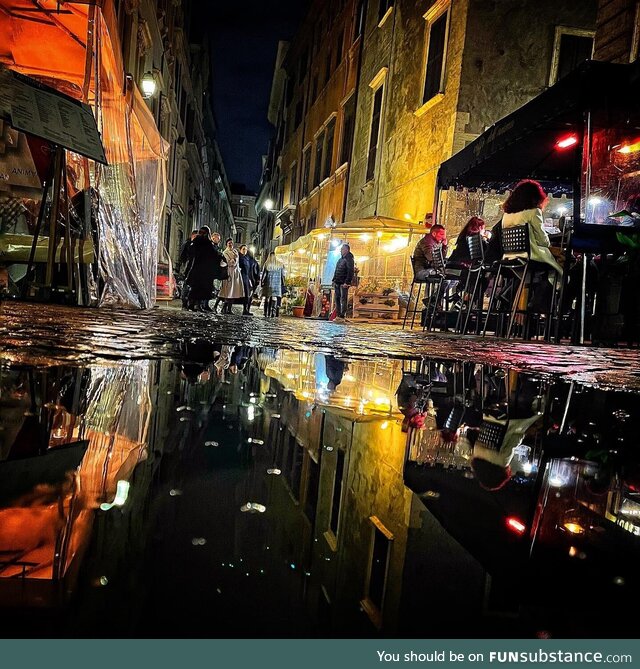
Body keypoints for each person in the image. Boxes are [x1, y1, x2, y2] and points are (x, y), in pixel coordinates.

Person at [501, 179, 563, 312]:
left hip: (511, 257)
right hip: (532, 257)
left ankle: (536, 303)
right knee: (560, 269)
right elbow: (543, 241)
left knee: (547, 273)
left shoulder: (507, 215)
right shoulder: (534, 212)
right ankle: (544, 305)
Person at [184, 226, 221, 311]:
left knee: (202, 289)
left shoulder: (208, 243)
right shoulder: (198, 241)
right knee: (196, 288)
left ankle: (197, 304)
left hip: (204, 270)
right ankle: (193, 304)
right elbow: (191, 252)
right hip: (198, 268)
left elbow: (213, 254)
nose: (202, 234)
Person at [219, 238, 244, 314]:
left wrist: (235, 259)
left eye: (232, 243)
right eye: (229, 243)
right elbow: (229, 263)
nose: (231, 244)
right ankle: (224, 308)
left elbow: (237, 263)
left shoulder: (235, 251)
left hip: (236, 274)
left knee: (234, 292)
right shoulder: (225, 252)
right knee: (228, 292)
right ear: (226, 244)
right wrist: (235, 258)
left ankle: (229, 308)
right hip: (229, 273)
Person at [332, 243, 355, 322]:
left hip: (343, 283)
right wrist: (334, 280)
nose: (341, 251)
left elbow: (350, 271)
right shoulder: (340, 259)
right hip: (337, 282)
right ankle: (338, 314)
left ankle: (342, 315)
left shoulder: (349, 259)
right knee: (337, 298)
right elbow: (336, 270)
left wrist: (347, 282)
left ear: (347, 250)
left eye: (342, 249)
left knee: (343, 299)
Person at [178, 230, 198, 309]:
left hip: (195, 269)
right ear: (193, 236)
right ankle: (184, 304)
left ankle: (191, 304)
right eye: (196, 237)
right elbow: (182, 256)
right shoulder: (187, 244)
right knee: (186, 286)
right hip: (188, 269)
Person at [261, 252, 285, 317]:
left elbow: (264, 274)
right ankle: (272, 312)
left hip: (268, 283)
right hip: (277, 284)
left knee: (267, 298)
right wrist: (283, 283)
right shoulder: (280, 264)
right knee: (274, 298)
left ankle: (266, 313)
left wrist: (262, 282)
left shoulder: (267, 264)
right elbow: (283, 275)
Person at [238, 245, 254, 316]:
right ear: (240, 250)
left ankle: (245, 309)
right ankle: (225, 306)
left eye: (246, 249)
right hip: (240, 276)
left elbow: (249, 269)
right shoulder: (239, 257)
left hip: (246, 277)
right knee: (234, 293)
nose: (245, 250)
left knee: (247, 294)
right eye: (243, 249)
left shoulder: (247, 258)